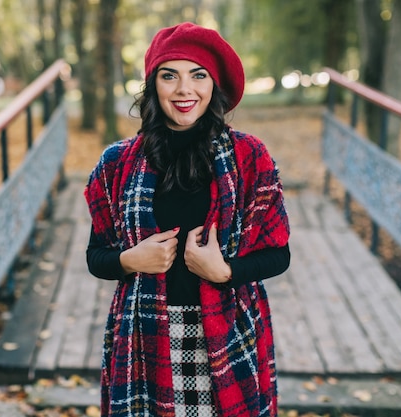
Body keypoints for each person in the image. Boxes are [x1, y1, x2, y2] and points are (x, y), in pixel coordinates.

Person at [84, 22, 290, 417]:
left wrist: (224, 271)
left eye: (198, 75)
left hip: (228, 335)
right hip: (144, 338)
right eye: (169, 76)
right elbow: (96, 256)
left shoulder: (249, 158)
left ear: (214, 84)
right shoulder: (117, 164)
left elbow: (279, 255)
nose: (184, 90)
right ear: (152, 84)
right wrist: (130, 260)